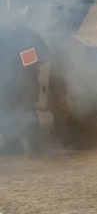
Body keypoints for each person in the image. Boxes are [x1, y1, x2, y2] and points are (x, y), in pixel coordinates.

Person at [0, 14, 51, 158]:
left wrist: (27, 60)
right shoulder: (2, 35)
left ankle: (35, 147)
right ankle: (12, 145)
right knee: (5, 112)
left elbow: (45, 54)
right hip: (5, 82)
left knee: (28, 112)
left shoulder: (31, 35)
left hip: (26, 81)